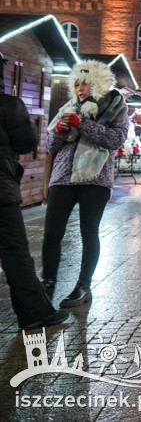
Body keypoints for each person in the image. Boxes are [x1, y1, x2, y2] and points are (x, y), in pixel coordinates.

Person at [42, 59, 130, 308]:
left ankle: (83, 286)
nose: (81, 89)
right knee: (52, 233)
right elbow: (51, 147)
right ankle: (47, 282)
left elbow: (114, 139)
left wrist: (84, 124)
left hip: (95, 179)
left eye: (87, 84)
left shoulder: (115, 108)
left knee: (88, 232)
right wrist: (60, 128)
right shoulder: (68, 108)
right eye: (78, 84)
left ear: (99, 84)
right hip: (62, 178)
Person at [0, 52, 68, 329]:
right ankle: (35, 312)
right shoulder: (8, 104)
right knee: (15, 252)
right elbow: (26, 141)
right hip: (1, 190)